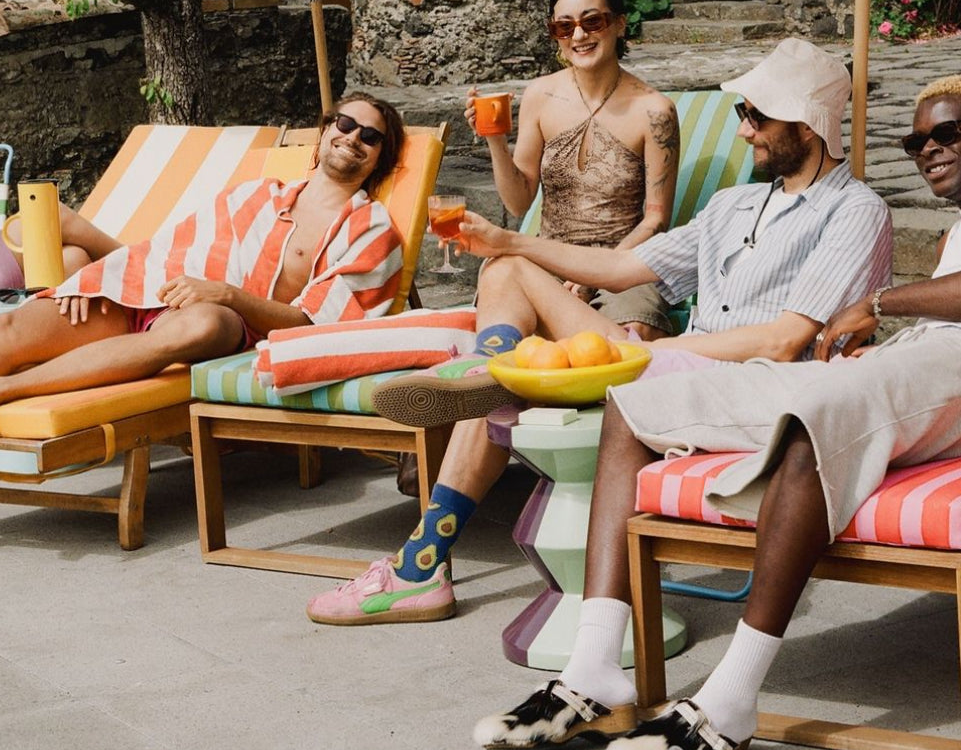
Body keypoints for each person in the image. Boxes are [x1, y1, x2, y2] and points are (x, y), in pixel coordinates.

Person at [473, 74, 961, 750]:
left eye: (946, 132)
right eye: (914, 140)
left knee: (818, 414)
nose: (927, 149)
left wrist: (876, 301)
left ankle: (730, 704)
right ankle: (593, 674)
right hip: (919, 362)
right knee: (636, 402)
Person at [305, 38, 893, 626]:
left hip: (745, 390)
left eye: (756, 116)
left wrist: (661, 349)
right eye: (742, 115)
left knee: (513, 382)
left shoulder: (854, 211)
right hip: (670, 367)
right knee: (508, 271)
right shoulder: (733, 206)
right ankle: (488, 371)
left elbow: (782, 341)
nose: (744, 131)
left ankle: (419, 564)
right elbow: (619, 268)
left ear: (807, 125)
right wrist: (505, 239)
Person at [0, 95, 405, 406]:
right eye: (346, 124)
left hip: (227, 322)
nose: (353, 138)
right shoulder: (254, 194)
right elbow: (162, 250)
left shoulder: (371, 230)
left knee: (203, 324)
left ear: (380, 158)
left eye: (370, 136)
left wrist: (224, 294)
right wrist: (90, 279)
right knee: (12, 332)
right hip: (152, 293)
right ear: (325, 129)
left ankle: (11, 390)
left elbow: (316, 325)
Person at [468, 0, 679, 339]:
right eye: (564, 28)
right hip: (548, 254)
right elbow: (518, 204)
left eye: (592, 22)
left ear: (619, 25)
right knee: (503, 297)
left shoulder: (654, 111)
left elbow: (656, 221)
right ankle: (490, 374)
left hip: (621, 263)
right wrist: (496, 141)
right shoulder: (540, 95)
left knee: (633, 334)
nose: (578, 36)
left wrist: (593, 274)